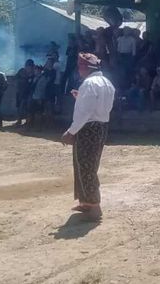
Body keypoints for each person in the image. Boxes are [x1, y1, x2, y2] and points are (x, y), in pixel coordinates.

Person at [61, 53, 115, 221]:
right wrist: (81, 97)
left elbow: (85, 112)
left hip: (88, 129)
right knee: (88, 164)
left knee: (85, 165)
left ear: (85, 67)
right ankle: (86, 201)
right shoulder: (106, 82)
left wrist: (71, 131)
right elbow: (98, 106)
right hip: (101, 127)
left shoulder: (89, 84)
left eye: (80, 66)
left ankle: (94, 206)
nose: (79, 70)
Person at [15, 59, 35, 126]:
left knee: (27, 108)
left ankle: (28, 122)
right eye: (27, 65)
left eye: (29, 66)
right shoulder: (21, 71)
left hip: (28, 93)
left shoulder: (33, 73)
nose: (28, 67)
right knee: (19, 107)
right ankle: (19, 120)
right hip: (20, 91)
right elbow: (15, 78)